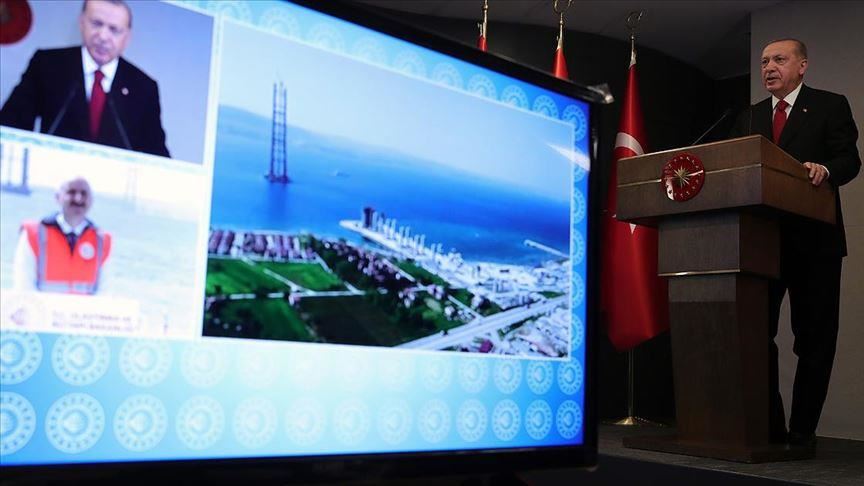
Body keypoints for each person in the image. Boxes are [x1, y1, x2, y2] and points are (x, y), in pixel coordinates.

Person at [730, 39, 861, 447]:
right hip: (760, 243)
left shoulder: (829, 105)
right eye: (764, 61)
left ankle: (802, 432)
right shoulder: (749, 116)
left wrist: (826, 169)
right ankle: (770, 429)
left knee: (814, 341)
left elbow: (849, 160)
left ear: (802, 66)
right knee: (756, 336)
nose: (769, 67)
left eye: (779, 59)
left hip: (814, 242)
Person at [0, 0, 170, 157]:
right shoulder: (47, 64)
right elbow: (10, 124)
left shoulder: (144, 87)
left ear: (126, 37)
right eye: (96, 24)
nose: (103, 36)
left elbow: (156, 154)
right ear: (82, 23)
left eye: (114, 29)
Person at [13, 177, 112, 294]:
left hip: (85, 307)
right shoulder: (34, 235)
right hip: (41, 306)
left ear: (91, 200)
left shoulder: (102, 241)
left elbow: (104, 292)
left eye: (84, 193)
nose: (78, 198)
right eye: (71, 192)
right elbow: (24, 287)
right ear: (57, 197)